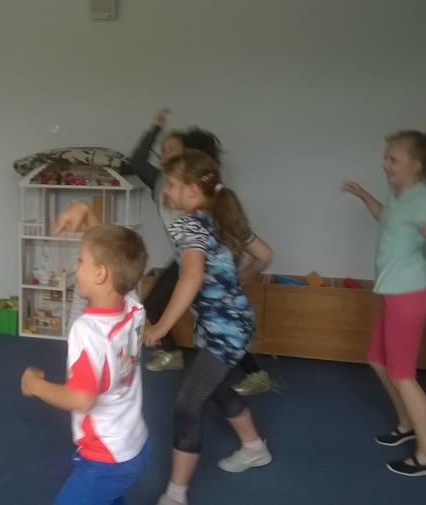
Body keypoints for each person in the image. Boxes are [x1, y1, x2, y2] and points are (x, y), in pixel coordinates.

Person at [144, 150, 271, 505]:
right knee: (213, 388)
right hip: (227, 323)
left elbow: (191, 277)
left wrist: (161, 326)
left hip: (226, 329)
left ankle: (175, 495)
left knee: (187, 403)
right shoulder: (224, 217)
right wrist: (236, 283)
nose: (166, 190)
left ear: (191, 190)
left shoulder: (190, 227)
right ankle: (254, 447)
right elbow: (265, 255)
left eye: (171, 183)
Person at [342, 130, 426, 476]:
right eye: (385, 158)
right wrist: (363, 195)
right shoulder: (399, 194)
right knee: (377, 360)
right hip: (395, 295)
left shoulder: (425, 201)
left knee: (402, 375)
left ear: (416, 164)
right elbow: (386, 217)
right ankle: (407, 423)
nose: (385, 165)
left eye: (392, 159)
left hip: (409, 298)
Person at [130, 109, 276, 396]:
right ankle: (176, 354)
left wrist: (160, 329)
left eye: (173, 149)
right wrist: (155, 129)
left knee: (216, 319)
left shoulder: (201, 199)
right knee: (212, 318)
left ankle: (250, 372)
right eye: (163, 149)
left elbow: (197, 272)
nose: (165, 154)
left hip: (195, 259)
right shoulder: (159, 180)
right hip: (185, 256)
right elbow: (136, 162)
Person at [22, 219, 150, 505]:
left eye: (80, 260)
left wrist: (35, 385)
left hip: (106, 458)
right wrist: (86, 214)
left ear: (101, 274)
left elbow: (82, 399)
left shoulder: (88, 331)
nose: (75, 267)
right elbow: (119, 250)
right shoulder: (133, 306)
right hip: (135, 444)